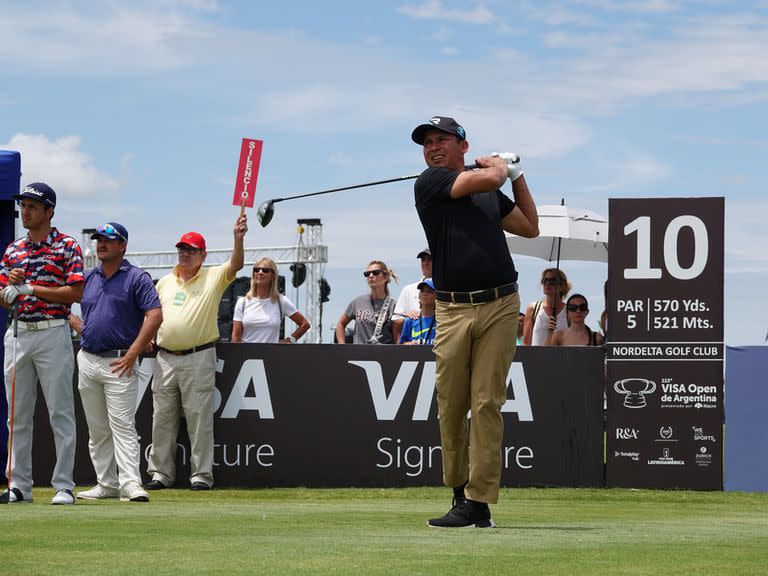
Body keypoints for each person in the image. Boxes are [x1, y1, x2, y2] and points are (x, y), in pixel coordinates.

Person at [411, 116, 538, 528]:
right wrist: (499, 167)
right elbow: (487, 178)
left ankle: (478, 503)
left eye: (441, 140)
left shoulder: (488, 189)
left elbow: (530, 227)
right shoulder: (430, 183)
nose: (432, 147)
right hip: (451, 308)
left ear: (462, 145)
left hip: (501, 304)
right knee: (451, 403)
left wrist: (517, 177)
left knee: (487, 402)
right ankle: (457, 492)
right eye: (427, 142)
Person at [145, 215, 247, 491]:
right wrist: (147, 337)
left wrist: (238, 237)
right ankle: (160, 474)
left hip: (198, 355)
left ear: (203, 254)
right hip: (164, 357)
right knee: (162, 418)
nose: (185, 254)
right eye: (182, 249)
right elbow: (152, 314)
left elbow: (236, 264)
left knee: (199, 419)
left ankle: (201, 476)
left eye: (191, 250)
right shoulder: (165, 281)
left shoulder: (213, 276)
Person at [0, 183, 84, 505]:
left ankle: (64, 485)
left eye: (33, 206)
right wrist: (10, 290)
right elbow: (4, 295)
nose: (26, 211)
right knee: (17, 416)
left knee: (60, 413)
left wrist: (31, 289)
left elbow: (76, 292)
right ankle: (19, 484)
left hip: (53, 332)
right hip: (19, 333)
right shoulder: (13, 250)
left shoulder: (67, 246)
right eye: (23, 205)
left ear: (49, 211)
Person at [75, 222, 163, 503]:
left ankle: (131, 484)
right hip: (88, 359)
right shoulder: (89, 277)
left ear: (122, 245)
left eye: (108, 240)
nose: (101, 244)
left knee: (122, 426)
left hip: (119, 361)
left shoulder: (137, 277)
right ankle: (106, 484)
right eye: (99, 239)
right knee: (97, 428)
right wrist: (80, 327)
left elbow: (155, 315)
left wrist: (133, 352)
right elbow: (68, 305)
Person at [230, 257, 310, 343]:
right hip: (247, 354)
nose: (260, 272)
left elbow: (305, 324)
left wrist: (290, 340)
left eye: (265, 270)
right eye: (256, 270)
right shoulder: (242, 302)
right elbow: (235, 337)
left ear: (273, 275)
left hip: (271, 354)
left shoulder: (281, 301)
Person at [335, 261, 399, 344]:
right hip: (359, 355)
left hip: (382, 355)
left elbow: (397, 337)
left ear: (386, 277)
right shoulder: (358, 302)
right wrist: (342, 347)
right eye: (367, 274)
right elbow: (340, 324)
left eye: (375, 272)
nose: (371, 276)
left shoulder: (393, 305)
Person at [522, 268, 571, 346]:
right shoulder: (533, 309)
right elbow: (525, 344)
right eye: (545, 280)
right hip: (536, 358)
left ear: (562, 286)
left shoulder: (570, 311)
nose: (548, 283)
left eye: (553, 281)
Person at [392, 248, 433, 332]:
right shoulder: (409, 289)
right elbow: (395, 321)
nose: (425, 263)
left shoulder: (446, 290)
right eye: (423, 260)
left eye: (430, 259)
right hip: (412, 343)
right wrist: (408, 317)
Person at [398, 278, 437, 345]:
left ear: (436, 296)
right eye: (422, 290)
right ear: (419, 295)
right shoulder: (410, 320)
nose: (425, 293)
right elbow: (402, 344)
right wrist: (411, 344)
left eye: (429, 291)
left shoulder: (441, 321)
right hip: (415, 354)